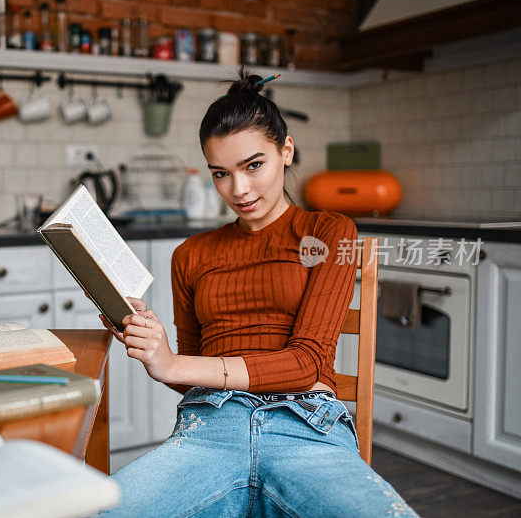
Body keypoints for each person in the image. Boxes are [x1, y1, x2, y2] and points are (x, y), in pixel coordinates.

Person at [98, 72, 418, 517]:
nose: (240, 190)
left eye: (253, 165)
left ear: (285, 151)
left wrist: (174, 363)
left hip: (305, 425)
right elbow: (190, 372)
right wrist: (153, 347)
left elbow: (307, 362)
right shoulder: (190, 255)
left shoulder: (327, 232)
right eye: (221, 174)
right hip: (211, 427)